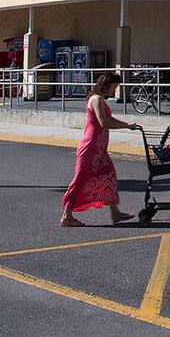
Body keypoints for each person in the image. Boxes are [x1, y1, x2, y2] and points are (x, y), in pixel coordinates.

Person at [60, 71, 141, 226]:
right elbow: (104, 122)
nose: (114, 90)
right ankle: (67, 215)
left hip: (99, 149)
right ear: (107, 85)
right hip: (91, 147)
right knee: (81, 179)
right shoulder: (96, 99)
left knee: (109, 175)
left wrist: (126, 124)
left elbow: (109, 118)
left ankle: (115, 212)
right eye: (114, 87)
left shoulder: (100, 100)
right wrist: (125, 126)